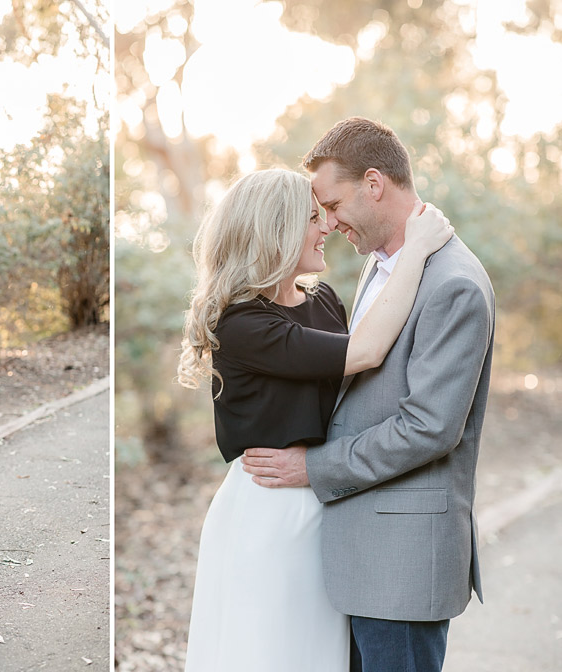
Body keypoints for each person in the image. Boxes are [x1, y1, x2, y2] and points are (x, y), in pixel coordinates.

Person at [242, 117, 495, 672]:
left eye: (331, 206)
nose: (327, 224)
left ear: (374, 184)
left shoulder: (452, 281)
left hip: (401, 563)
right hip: (358, 557)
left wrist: (313, 467)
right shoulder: (381, 269)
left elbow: (428, 427)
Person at [176, 167, 453, 671]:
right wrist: (415, 249)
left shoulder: (325, 300)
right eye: (311, 217)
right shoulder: (242, 323)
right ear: (274, 230)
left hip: (330, 500)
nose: (326, 226)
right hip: (269, 514)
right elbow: (365, 351)